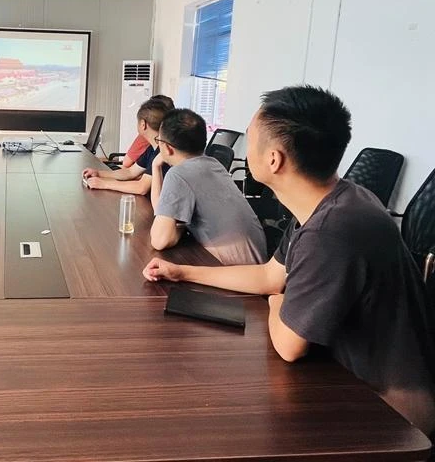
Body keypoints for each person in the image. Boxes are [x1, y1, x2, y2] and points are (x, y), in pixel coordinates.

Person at [143, 85, 435, 434]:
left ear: (273, 159)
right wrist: (183, 272)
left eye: (250, 136)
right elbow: (270, 275)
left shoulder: (331, 230)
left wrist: (278, 302)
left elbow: (288, 344)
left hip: (389, 416)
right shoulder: (336, 199)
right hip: (350, 376)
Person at [149, 108, 266, 266]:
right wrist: (156, 166)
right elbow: (161, 210)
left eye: (159, 140)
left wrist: (180, 228)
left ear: (167, 148)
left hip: (232, 271)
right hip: (257, 267)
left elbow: (160, 240)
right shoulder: (213, 164)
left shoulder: (179, 174)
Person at [82, 98, 170, 195]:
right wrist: (98, 173)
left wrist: (104, 184)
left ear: (143, 124)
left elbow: (141, 187)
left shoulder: (163, 151)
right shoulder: (152, 148)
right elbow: (130, 172)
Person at [118, 95, 175, 168]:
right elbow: (132, 171)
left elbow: (126, 163)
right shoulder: (155, 147)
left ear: (143, 124)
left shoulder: (162, 149)